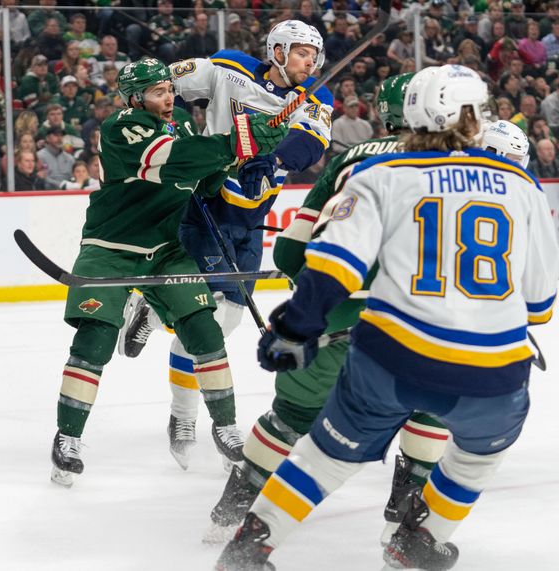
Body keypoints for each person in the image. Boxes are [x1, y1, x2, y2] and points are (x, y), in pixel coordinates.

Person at [217, 64, 559, 571]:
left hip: (388, 358)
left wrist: (295, 327)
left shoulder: (380, 173)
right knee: (474, 459)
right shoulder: (525, 185)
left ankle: (251, 543)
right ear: (476, 117)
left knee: (323, 455)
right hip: (491, 374)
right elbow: (541, 305)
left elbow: (330, 265)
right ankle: (419, 541)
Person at [48, 58, 288, 488]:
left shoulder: (181, 123)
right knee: (95, 340)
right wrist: (237, 141)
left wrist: (247, 157)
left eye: (170, 90)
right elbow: (172, 160)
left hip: (166, 249)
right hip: (111, 248)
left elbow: (205, 177)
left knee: (205, 330)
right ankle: (67, 438)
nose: (169, 98)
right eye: (158, 93)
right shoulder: (122, 126)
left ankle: (225, 427)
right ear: (135, 98)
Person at [120, 20, 333, 470]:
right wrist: (164, 120)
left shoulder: (316, 97)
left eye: (313, 55)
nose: (309, 61)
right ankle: (182, 416)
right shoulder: (227, 67)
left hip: (251, 217)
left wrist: (273, 159)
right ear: (275, 50)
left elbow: (309, 143)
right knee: (205, 321)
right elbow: (165, 84)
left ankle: (153, 312)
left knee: (226, 321)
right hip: (209, 202)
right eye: (300, 52)